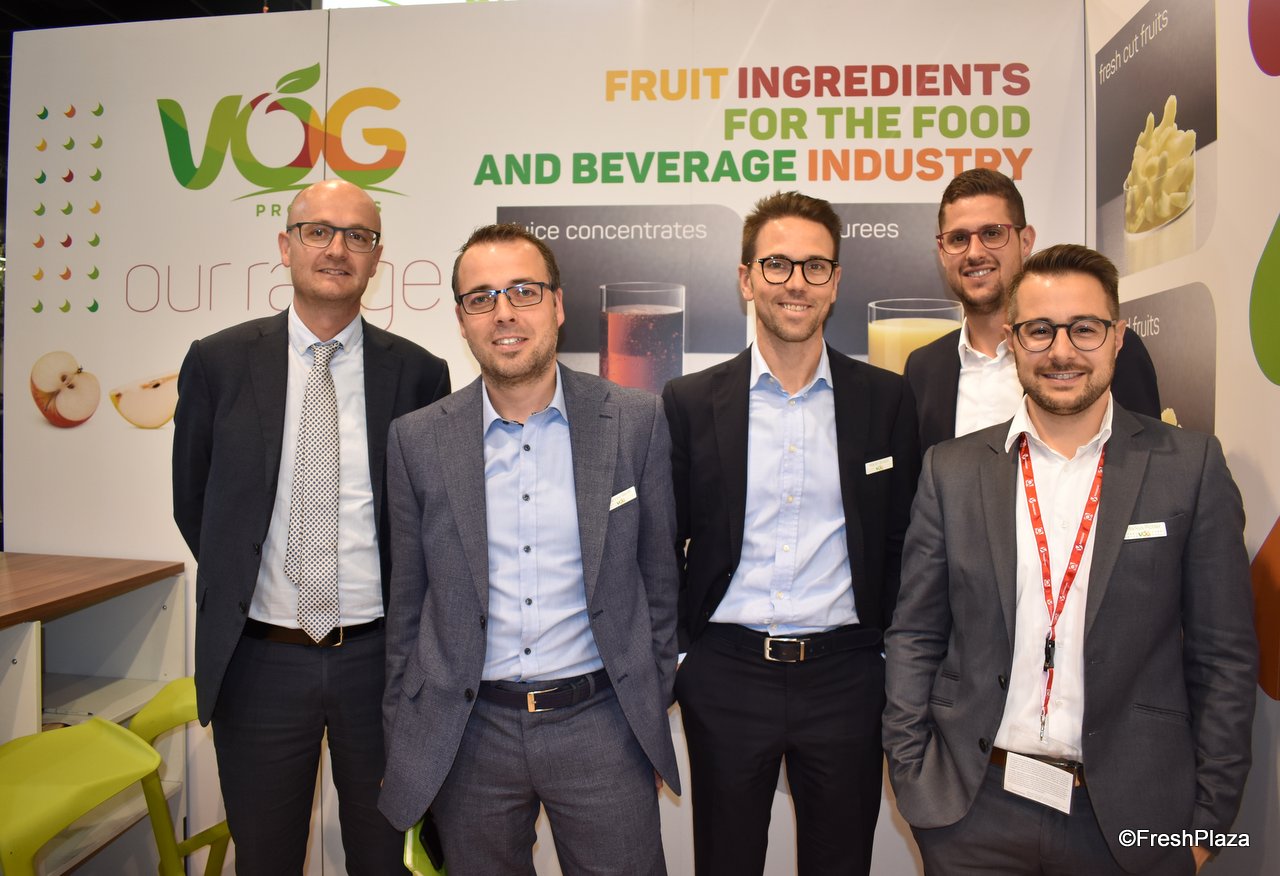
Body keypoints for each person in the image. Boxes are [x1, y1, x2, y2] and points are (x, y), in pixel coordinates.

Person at [884, 244, 1256, 875]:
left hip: (1132, 821)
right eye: (1039, 330)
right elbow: (916, 634)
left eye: (1084, 328)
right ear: (1012, 339)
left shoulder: (1189, 468)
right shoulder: (951, 470)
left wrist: (1206, 824)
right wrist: (913, 773)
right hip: (974, 810)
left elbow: (1223, 657)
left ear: (1118, 337)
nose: (1061, 352)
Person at [378, 223, 681, 876]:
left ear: (558, 304)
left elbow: (660, 583)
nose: (504, 313)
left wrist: (646, 704)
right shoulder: (416, 440)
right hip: (469, 734)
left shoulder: (635, 421)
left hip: (602, 723)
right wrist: (408, 732)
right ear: (462, 319)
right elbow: (407, 607)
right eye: (481, 298)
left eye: (523, 291)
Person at [172, 179, 451, 874]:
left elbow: (432, 519)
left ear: (377, 256)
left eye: (358, 235)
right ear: (286, 245)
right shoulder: (218, 361)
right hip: (258, 662)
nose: (336, 249)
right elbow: (194, 501)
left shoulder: (420, 373)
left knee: (384, 860)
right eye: (318, 231)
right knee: (265, 859)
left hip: (381, 664)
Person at [662, 191, 919, 875]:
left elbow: (902, 542)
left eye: (814, 267)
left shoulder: (886, 399)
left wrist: (886, 659)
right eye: (776, 265)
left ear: (835, 282)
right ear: (746, 279)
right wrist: (686, 659)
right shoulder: (690, 401)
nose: (795, 283)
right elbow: (663, 542)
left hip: (847, 677)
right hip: (727, 673)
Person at [904, 169, 1161, 453]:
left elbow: (1147, 462)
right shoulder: (923, 368)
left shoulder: (1108, 349)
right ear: (942, 252)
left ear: (1025, 241)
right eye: (958, 239)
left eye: (992, 233)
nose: (974, 253)